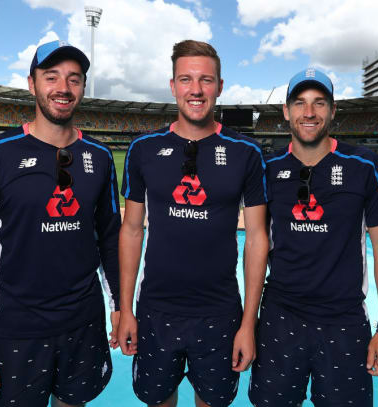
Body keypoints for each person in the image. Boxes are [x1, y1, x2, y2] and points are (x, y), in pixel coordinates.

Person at [0, 40, 121, 407]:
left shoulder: (100, 156)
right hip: (18, 330)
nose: (63, 88)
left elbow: (110, 238)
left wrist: (121, 306)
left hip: (84, 323)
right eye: (51, 77)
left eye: (74, 79)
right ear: (32, 84)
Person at [117, 40, 269, 407]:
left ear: (220, 86)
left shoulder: (246, 153)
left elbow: (257, 239)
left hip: (219, 313)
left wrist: (249, 324)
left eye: (206, 80)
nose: (196, 90)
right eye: (186, 79)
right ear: (172, 86)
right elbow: (132, 230)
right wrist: (125, 309)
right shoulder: (143, 149)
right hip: (156, 311)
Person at [248, 68, 378, 407]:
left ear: (332, 111)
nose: (309, 112)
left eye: (319, 103)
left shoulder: (363, 165)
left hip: (343, 320)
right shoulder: (268, 168)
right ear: (286, 112)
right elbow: (256, 242)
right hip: (280, 317)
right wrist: (248, 322)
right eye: (300, 103)